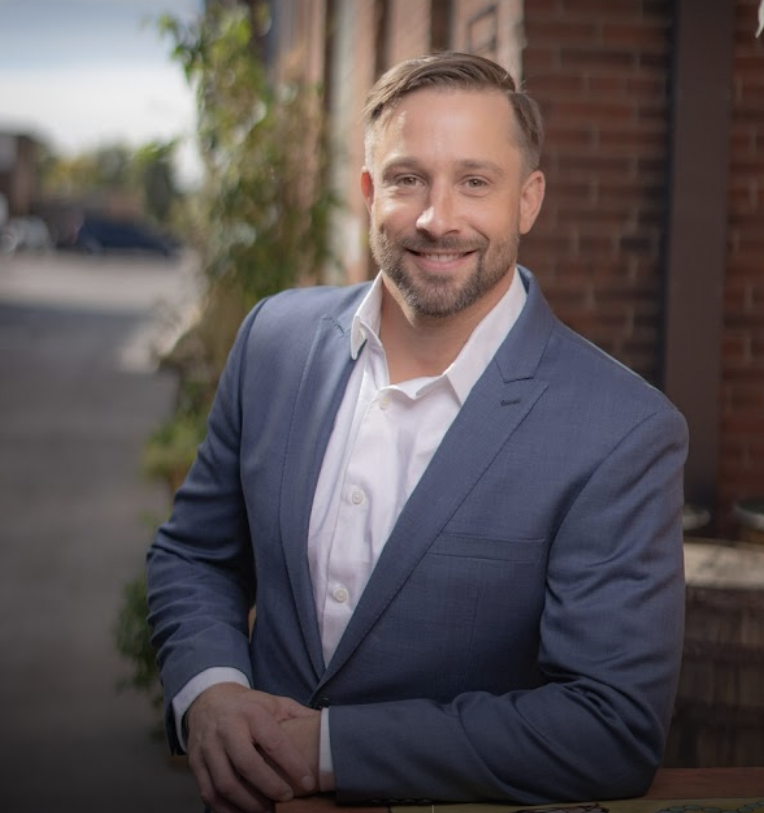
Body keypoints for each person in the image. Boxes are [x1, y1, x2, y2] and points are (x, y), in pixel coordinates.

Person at [147, 51, 688, 813]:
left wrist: (329, 750)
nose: (438, 218)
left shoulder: (621, 432)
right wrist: (210, 693)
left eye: (475, 181)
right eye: (407, 179)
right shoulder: (275, 341)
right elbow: (196, 553)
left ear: (527, 201)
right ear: (369, 193)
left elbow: (609, 728)